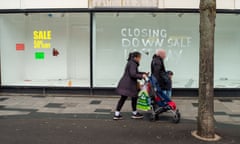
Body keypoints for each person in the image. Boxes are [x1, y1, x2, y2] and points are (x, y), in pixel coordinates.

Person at [114, 52, 147, 120]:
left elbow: (134, 72)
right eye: (139, 57)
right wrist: (142, 76)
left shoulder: (131, 62)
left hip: (126, 83)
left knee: (124, 98)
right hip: (129, 84)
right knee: (134, 97)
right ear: (136, 57)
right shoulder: (133, 63)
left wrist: (143, 73)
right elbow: (133, 74)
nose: (140, 59)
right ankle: (134, 113)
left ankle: (117, 114)